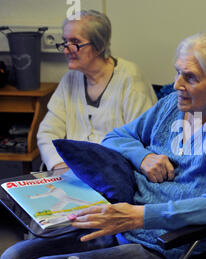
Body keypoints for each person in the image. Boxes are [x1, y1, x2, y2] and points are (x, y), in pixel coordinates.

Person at [0, 32, 206, 259]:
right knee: (12, 258)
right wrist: (143, 157)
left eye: (190, 77)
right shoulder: (170, 106)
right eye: (178, 71)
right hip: (122, 225)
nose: (177, 84)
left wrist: (140, 216)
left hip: (170, 248)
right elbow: (115, 138)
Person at [37, 10, 155, 171]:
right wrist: (59, 165)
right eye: (65, 42)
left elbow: (143, 140)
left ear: (99, 46)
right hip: (70, 173)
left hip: (116, 175)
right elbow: (47, 133)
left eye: (75, 42)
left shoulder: (130, 78)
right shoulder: (70, 80)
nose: (66, 50)